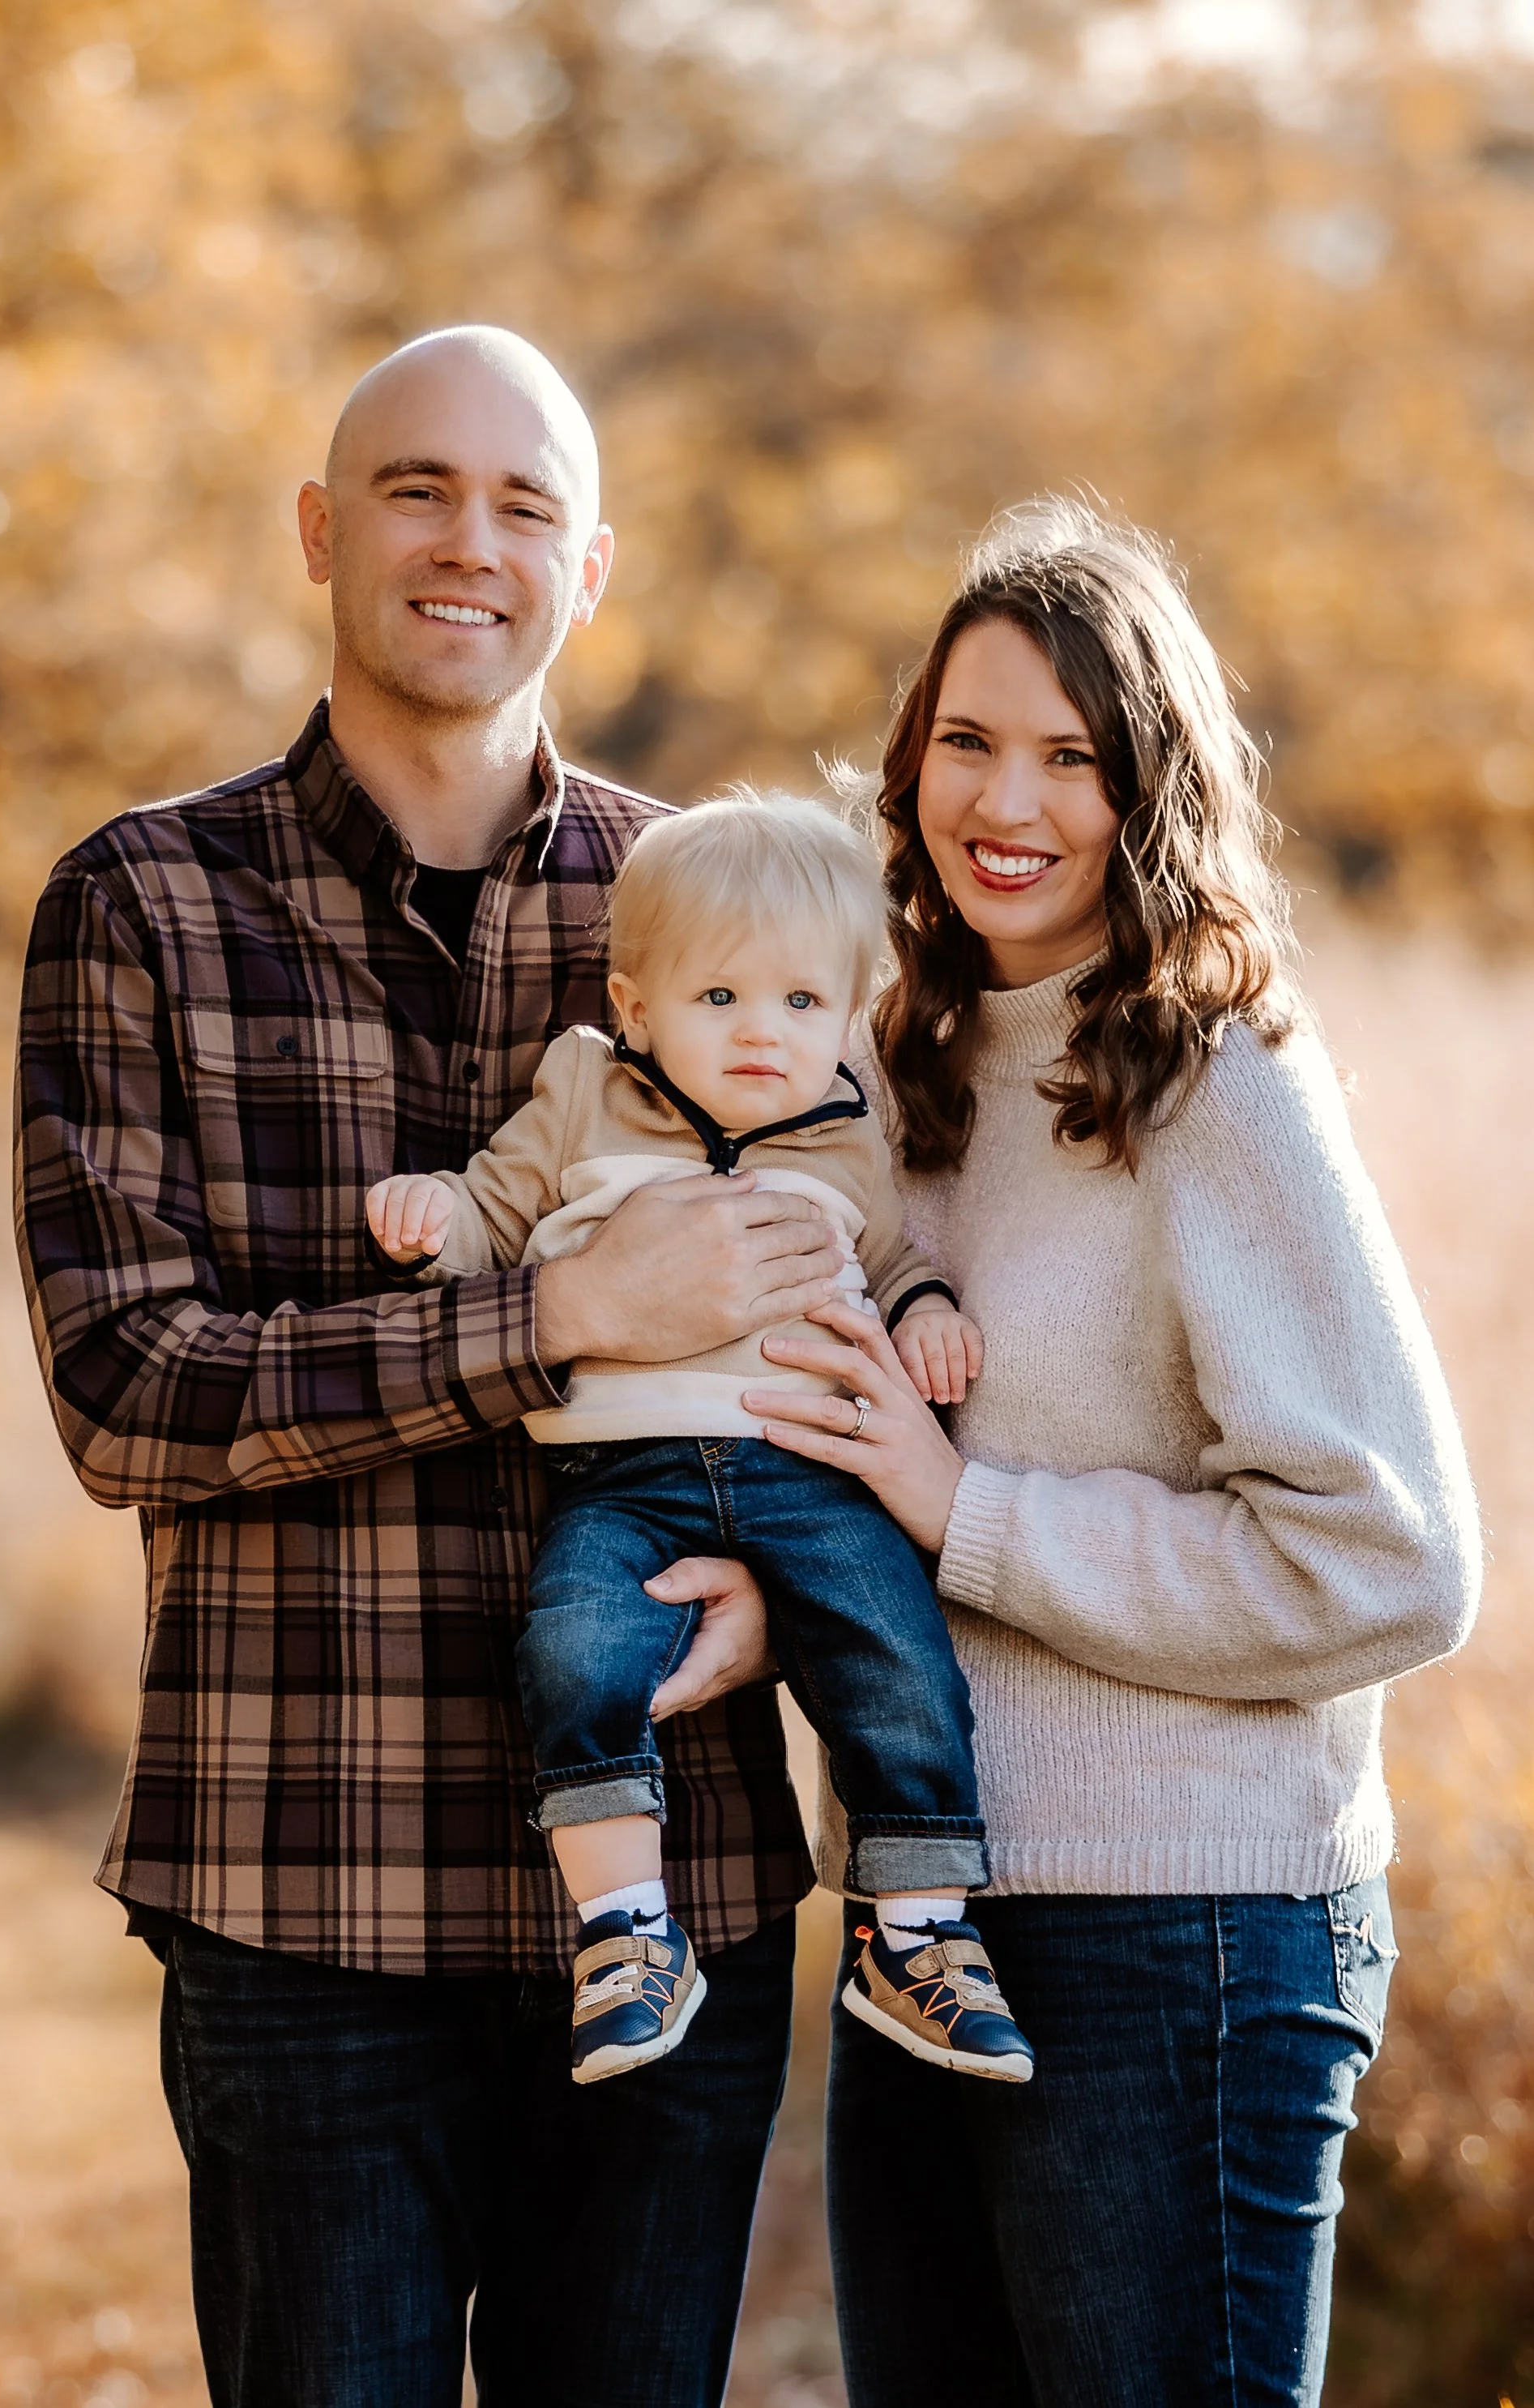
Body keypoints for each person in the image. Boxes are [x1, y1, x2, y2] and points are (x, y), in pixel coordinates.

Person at [13, 326, 848, 2408]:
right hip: (303, 1901)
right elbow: (128, 1390)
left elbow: (877, 1310)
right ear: (321, 529)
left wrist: (792, 1576)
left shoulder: (719, 916)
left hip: (687, 1900)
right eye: (416, 488)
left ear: (595, 569)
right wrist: (551, 1321)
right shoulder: (141, 905)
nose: (471, 543)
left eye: (526, 505)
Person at [737, 499, 1482, 2406]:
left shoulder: (1217, 1073)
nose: (1012, 799)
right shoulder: (893, 1063)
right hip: (926, 1919)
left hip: (1186, 1939)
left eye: (1075, 756)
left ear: (1149, 788)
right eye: (971, 741)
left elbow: (1391, 1557)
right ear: (911, 765)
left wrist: (965, 1511)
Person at [365, 792, 1033, 2086]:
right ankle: (625, 1930)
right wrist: (431, 1217)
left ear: (846, 1020)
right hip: (621, 1476)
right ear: (636, 1003)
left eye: (798, 1004)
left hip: (807, 1472)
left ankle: (917, 1935)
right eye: (717, 997)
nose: (759, 1034)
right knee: (575, 1647)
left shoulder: (846, 1129)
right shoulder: (583, 1091)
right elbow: (495, 1212)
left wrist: (932, 1310)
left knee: (893, 1647)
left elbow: (892, 1258)